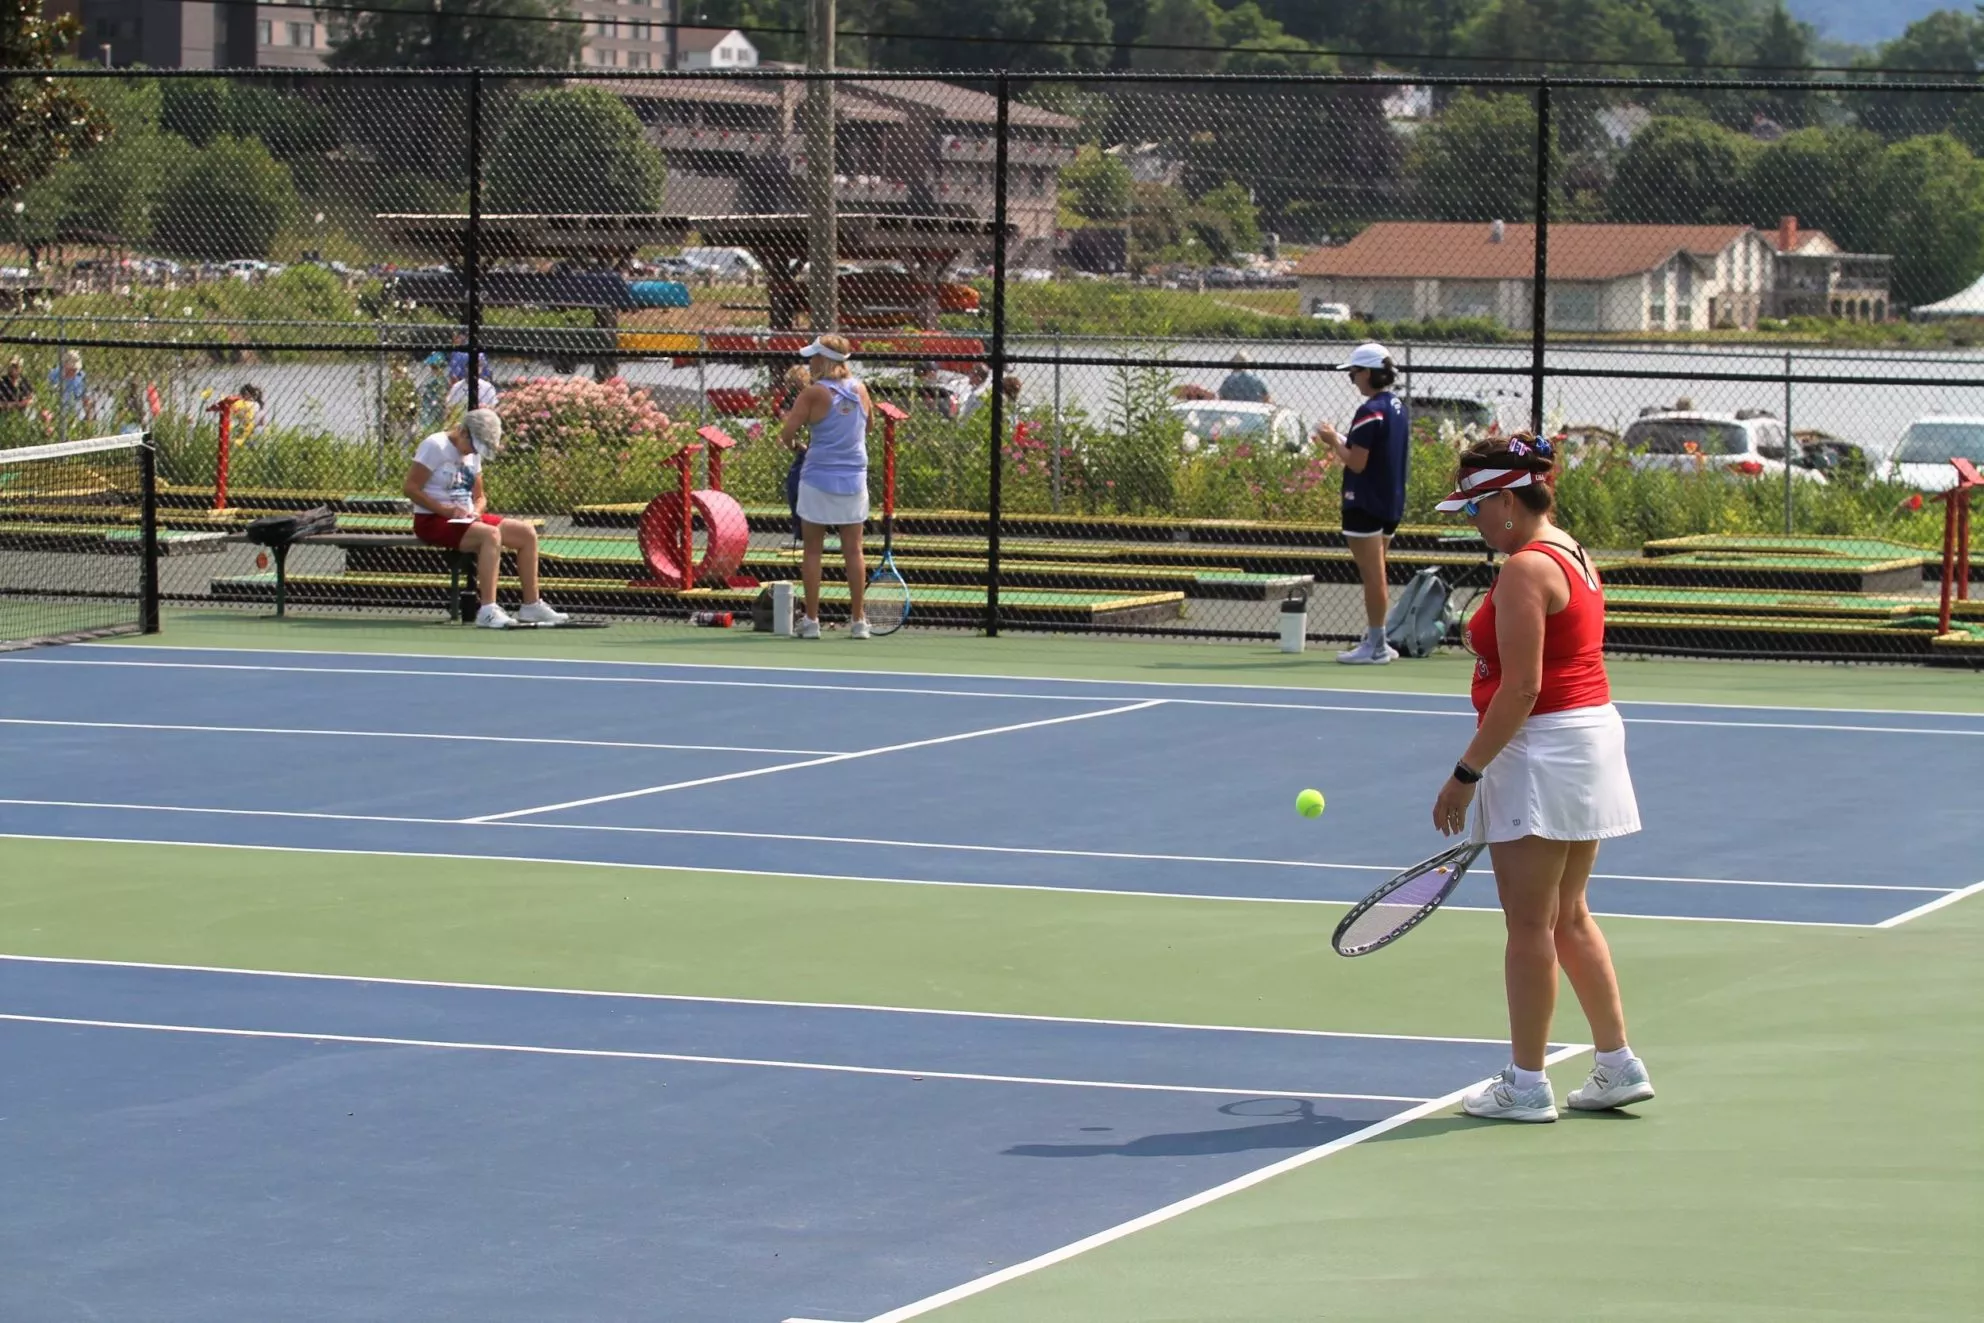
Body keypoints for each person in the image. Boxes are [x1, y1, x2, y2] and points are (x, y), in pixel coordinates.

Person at [1431, 435, 1652, 1124]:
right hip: (1587, 739)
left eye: (1476, 508)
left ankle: (1526, 1083)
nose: (1473, 522)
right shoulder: (1573, 550)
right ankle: (1616, 1064)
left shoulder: (1527, 568)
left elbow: (1522, 688)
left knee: (1530, 923)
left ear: (1505, 497)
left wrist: (1466, 772)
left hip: (1543, 747)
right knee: (1570, 913)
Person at [402, 408, 567, 630]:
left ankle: (531, 605)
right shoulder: (435, 446)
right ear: (463, 432)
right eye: (472, 445)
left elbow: (479, 497)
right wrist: (445, 510)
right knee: (490, 534)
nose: (472, 452)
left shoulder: (473, 455)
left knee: (526, 533)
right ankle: (488, 609)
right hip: (432, 519)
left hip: (467, 520)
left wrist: (476, 512)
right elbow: (410, 488)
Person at [1314, 342, 1409, 664]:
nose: (1352, 380)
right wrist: (1340, 437)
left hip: (1364, 502)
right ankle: (1377, 640)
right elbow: (1366, 448)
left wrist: (1331, 442)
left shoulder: (1369, 411)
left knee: (1373, 575)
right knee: (1378, 572)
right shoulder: (1395, 406)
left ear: (1368, 373)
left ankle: (1377, 645)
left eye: (1354, 374)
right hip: (1389, 501)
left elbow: (1356, 462)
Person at [776, 334, 873, 640]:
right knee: (854, 551)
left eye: (813, 357)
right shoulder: (861, 390)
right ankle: (859, 622)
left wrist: (798, 446)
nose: (810, 362)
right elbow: (868, 427)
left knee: (813, 550)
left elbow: (787, 434)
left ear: (823, 360)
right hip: (854, 478)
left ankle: (812, 621)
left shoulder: (812, 394)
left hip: (817, 478)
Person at [771, 364, 812, 549]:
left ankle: (804, 531)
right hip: (805, 447)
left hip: (812, 449)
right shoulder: (796, 398)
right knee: (796, 485)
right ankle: (802, 531)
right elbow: (787, 424)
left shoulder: (810, 395)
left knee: (797, 485)